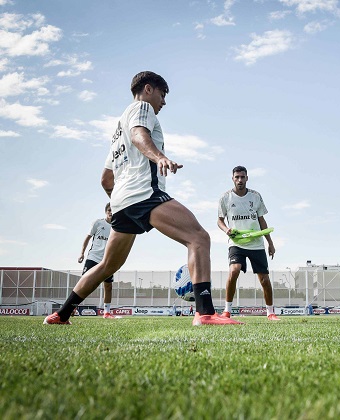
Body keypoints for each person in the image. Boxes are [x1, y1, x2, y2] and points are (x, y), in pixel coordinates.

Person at [45, 71, 241, 326]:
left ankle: (61, 314)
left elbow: (106, 179)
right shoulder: (141, 108)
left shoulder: (117, 131)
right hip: (145, 195)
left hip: (122, 203)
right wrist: (159, 157)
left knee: (106, 265)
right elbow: (140, 136)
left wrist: (119, 202)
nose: (164, 102)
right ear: (148, 89)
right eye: (162, 94)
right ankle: (205, 314)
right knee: (198, 238)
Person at [217, 166, 280, 321]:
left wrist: (270, 243)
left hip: (256, 243)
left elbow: (262, 221)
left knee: (264, 279)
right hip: (236, 242)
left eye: (242, 177)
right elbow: (219, 220)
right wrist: (226, 230)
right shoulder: (225, 198)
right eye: (237, 177)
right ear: (232, 178)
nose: (240, 180)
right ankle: (227, 311)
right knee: (234, 270)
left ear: (247, 178)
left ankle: (270, 313)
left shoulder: (255, 196)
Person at [78, 203, 118, 319]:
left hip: (107, 260)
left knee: (108, 286)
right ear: (106, 211)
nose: (111, 212)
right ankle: (72, 307)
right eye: (109, 210)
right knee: (83, 283)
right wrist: (82, 253)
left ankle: (106, 312)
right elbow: (87, 238)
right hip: (93, 257)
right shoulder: (98, 223)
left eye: (113, 210)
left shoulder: (117, 227)